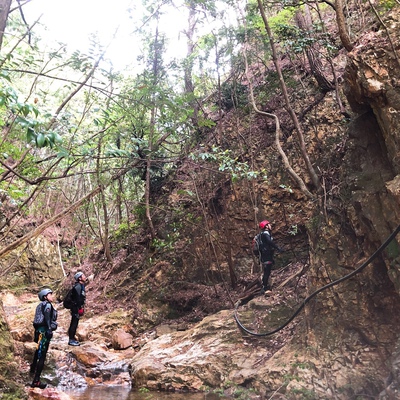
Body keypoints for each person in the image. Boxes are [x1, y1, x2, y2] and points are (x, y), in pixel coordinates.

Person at [30, 288, 58, 389]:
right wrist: (50, 329)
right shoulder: (47, 305)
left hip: (38, 332)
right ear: (45, 297)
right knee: (42, 355)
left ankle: (32, 369)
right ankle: (36, 381)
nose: (52, 296)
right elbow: (47, 318)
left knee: (38, 351)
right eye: (50, 294)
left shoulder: (39, 305)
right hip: (44, 332)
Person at [258, 220, 283, 293]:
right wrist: (277, 248)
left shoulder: (262, 234)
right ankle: (264, 288)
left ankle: (265, 286)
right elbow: (269, 242)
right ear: (266, 226)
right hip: (266, 255)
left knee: (267, 271)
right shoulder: (266, 233)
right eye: (269, 224)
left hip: (265, 255)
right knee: (267, 271)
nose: (270, 225)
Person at [67, 271, 87, 346]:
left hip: (77, 307)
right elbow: (77, 299)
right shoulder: (78, 287)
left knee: (75, 322)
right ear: (79, 278)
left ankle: (72, 338)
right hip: (75, 307)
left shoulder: (81, 286)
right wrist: (79, 308)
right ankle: (71, 339)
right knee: (74, 323)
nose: (85, 277)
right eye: (83, 276)